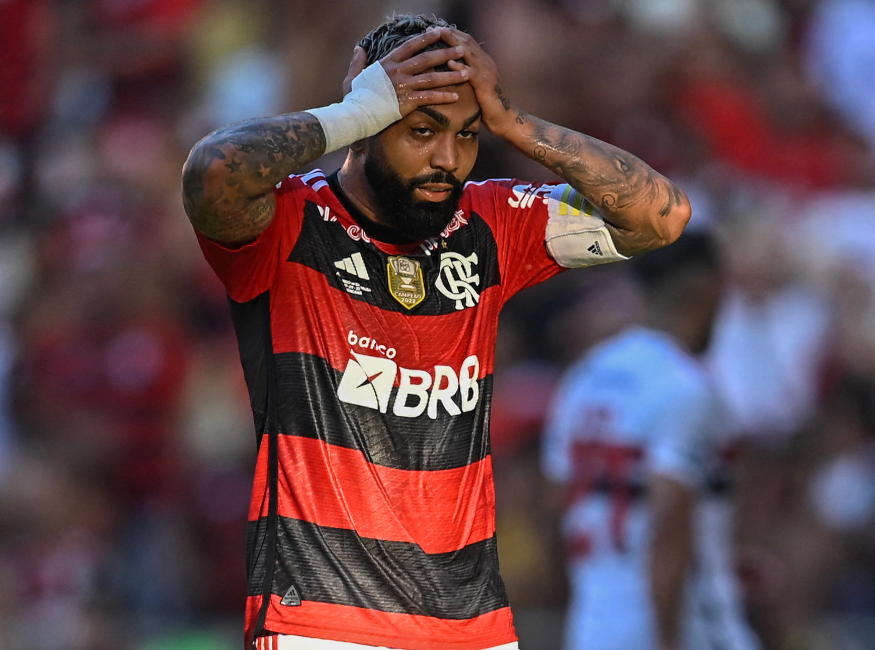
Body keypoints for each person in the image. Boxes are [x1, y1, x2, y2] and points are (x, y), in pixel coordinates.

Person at [181, 13, 690, 650]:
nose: (447, 160)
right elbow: (212, 172)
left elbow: (662, 217)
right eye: (421, 131)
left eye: (467, 135)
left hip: (471, 628)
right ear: (371, 121)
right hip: (321, 622)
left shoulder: (490, 224)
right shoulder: (289, 221)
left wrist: (515, 124)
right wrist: (351, 112)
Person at [542, 234, 759, 650]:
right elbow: (668, 514)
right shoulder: (686, 387)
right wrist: (667, 638)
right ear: (709, 290)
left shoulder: (583, 378)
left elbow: (556, 503)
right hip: (684, 629)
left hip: (593, 630)